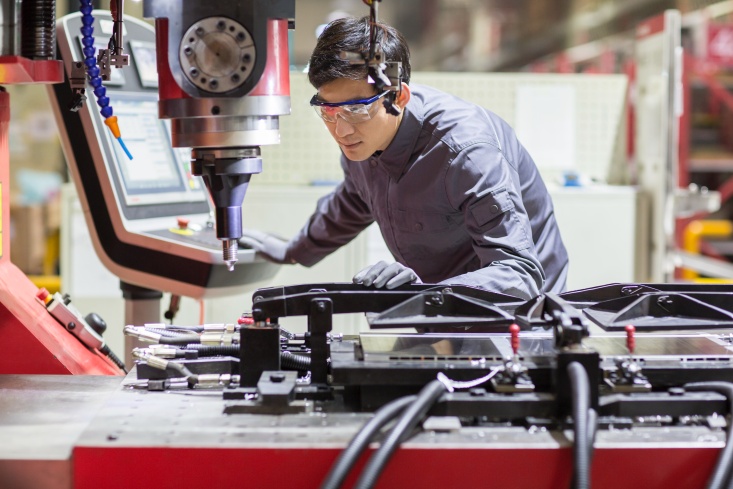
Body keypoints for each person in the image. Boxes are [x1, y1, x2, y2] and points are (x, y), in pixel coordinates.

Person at [240, 16, 569, 300]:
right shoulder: (363, 142)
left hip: (518, 314)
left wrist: (425, 294)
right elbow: (353, 201)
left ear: (399, 97)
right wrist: (294, 251)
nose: (340, 131)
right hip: (440, 302)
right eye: (327, 110)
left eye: (356, 109)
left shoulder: (466, 152)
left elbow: (518, 274)